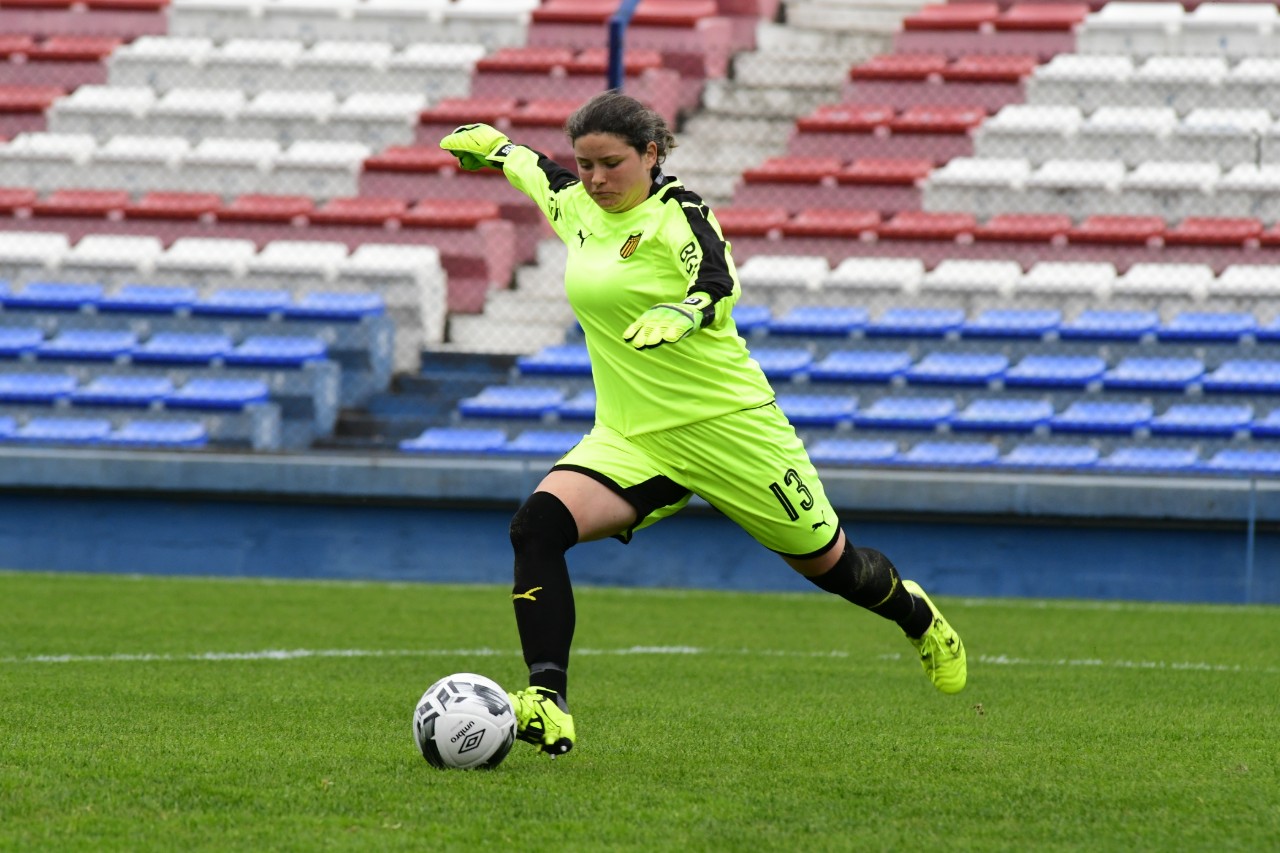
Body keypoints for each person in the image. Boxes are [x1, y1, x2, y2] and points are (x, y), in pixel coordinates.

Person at [439, 91, 967, 760]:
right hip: (633, 437)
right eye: (588, 164)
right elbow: (539, 173)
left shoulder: (679, 215)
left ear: (652, 153)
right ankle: (547, 698)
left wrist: (690, 311)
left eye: (612, 163)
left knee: (836, 567)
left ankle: (916, 616)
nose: (597, 179)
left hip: (731, 430)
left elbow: (717, 278)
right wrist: (498, 150)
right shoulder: (577, 205)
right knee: (536, 527)